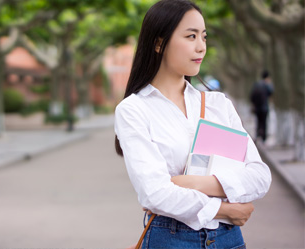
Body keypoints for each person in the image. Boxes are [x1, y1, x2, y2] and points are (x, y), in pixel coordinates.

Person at [113, 0, 272, 248]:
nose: (201, 47)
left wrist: (190, 183)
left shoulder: (218, 105)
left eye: (204, 37)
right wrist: (225, 209)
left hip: (229, 240)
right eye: (191, 36)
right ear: (158, 43)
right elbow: (155, 194)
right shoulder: (134, 110)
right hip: (171, 238)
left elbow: (260, 177)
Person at [250, 70, 273, 143]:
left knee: (258, 121)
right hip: (264, 107)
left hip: (257, 107)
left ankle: (257, 135)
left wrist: (254, 103)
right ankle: (264, 138)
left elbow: (252, 96)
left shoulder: (256, 84)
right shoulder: (267, 85)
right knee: (264, 122)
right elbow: (271, 92)